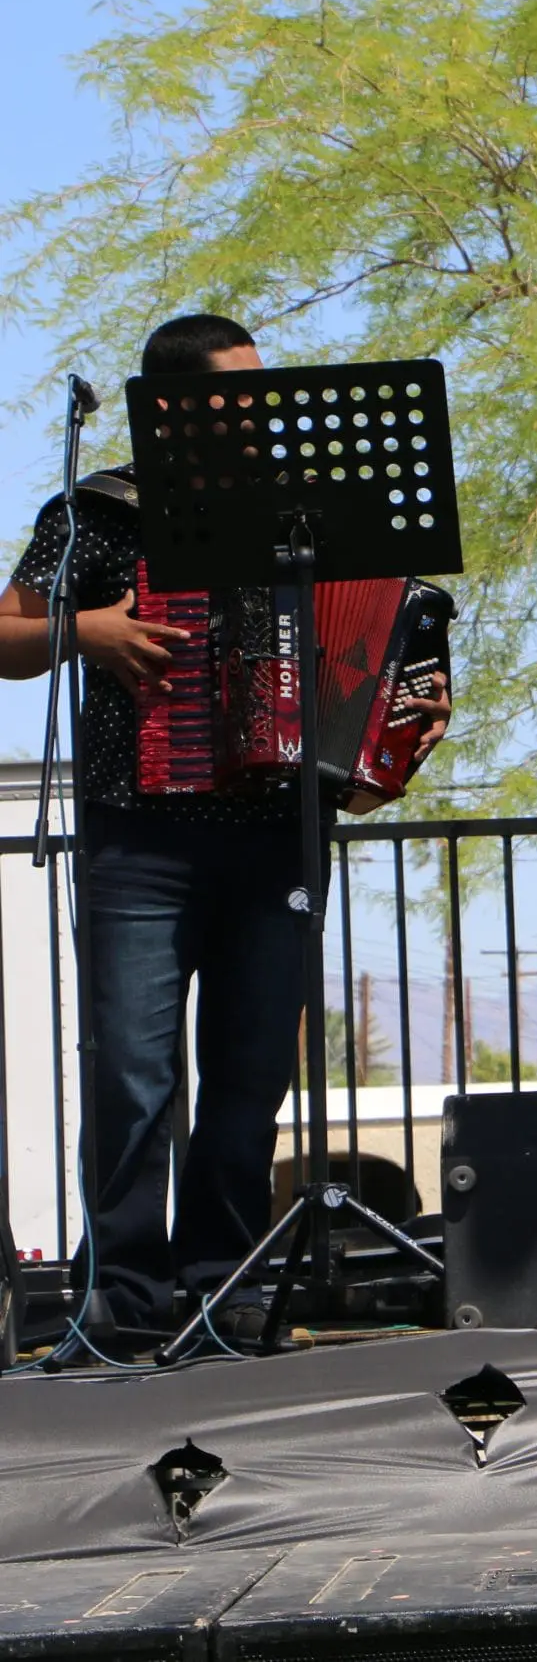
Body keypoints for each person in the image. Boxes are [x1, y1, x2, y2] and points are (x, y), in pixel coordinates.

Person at [0, 314, 451, 1352]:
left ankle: (228, 1288)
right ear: (168, 409)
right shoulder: (99, 513)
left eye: (260, 395)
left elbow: (386, 634)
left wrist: (403, 717)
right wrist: (89, 631)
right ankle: (119, 1297)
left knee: (249, 1075)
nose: (256, 416)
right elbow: (6, 633)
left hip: (272, 837)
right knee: (131, 1073)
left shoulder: (305, 516)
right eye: (233, 398)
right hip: (138, 837)